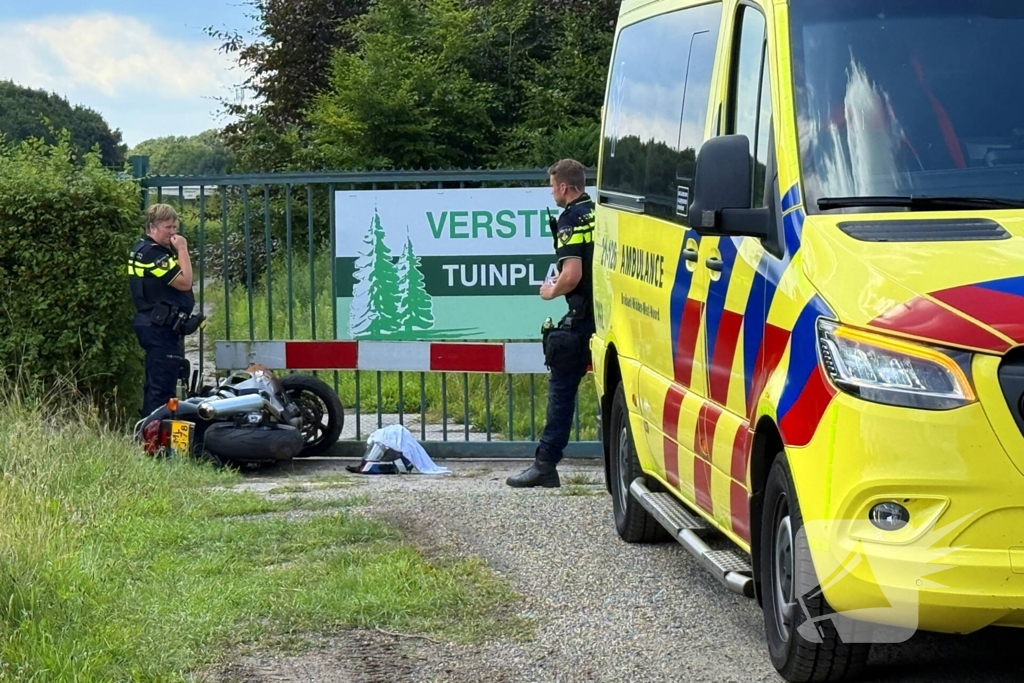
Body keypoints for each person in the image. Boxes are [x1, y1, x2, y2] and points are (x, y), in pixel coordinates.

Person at [507, 159, 596, 488]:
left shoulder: (570, 219)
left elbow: (572, 275)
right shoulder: (597, 212)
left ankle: (545, 464)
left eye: (552, 186)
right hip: (612, 312)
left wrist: (550, 291)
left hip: (585, 316)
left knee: (562, 385)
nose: (551, 192)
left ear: (563, 187)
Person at [129, 203, 203, 417]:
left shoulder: (144, 249)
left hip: (158, 325)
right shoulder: (153, 254)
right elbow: (185, 282)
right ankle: (155, 434)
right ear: (152, 227)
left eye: (175, 227)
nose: (173, 232)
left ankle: (150, 431)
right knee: (162, 391)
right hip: (159, 328)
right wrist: (182, 249)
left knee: (156, 385)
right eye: (168, 227)